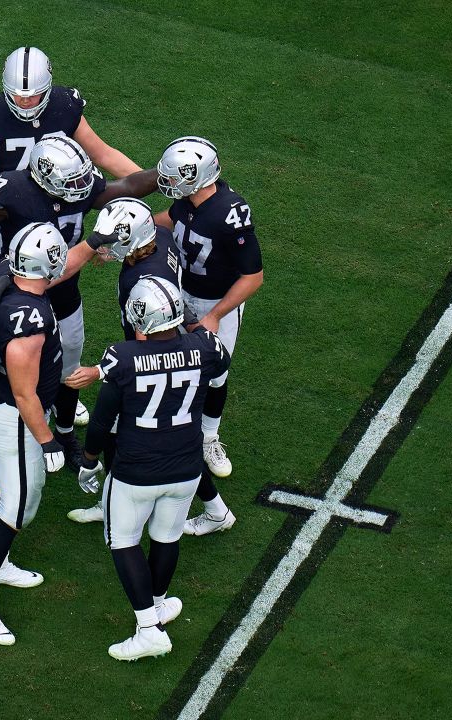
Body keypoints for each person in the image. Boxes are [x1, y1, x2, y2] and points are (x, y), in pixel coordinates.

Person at [0, 136, 159, 470]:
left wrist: (163, 173)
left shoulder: (77, 185)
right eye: (73, 181)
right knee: (0, 372)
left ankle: (63, 432)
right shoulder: (13, 191)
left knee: (68, 369)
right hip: (17, 294)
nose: (82, 187)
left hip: (63, 295)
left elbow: (125, 186)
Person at [74, 276, 230, 660]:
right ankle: (156, 605)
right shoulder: (206, 348)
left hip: (136, 470)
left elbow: (101, 421)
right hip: (186, 468)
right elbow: (212, 354)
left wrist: (90, 461)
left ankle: (148, 629)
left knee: (123, 541)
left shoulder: (122, 357)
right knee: (166, 537)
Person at [0, 223, 69, 647]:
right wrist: (48, 440)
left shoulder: (12, 279)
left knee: (5, 485)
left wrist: (94, 245)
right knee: (19, 502)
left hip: (6, 403)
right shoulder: (30, 317)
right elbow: (25, 393)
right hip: (17, 414)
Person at [154, 136, 263, 534]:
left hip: (218, 302)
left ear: (196, 178)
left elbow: (253, 277)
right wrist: (136, 227)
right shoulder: (188, 202)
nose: (167, 182)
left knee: (216, 373)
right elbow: (169, 218)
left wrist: (217, 314)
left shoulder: (229, 213)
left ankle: (208, 438)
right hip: (182, 293)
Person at [54, 198, 184, 523]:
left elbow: (144, 350)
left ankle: (112, 506)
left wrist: (100, 371)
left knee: (115, 431)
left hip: (153, 363)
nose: (104, 248)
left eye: (112, 241)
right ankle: (214, 509)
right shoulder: (160, 238)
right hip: (173, 349)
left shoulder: (141, 281)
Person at [0, 46, 140, 263]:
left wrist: (149, 177)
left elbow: (102, 154)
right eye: (17, 94)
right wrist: (19, 203)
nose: (24, 101)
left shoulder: (64, 105)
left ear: (47, 88)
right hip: (5, 210)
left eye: (32, 95)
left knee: (61, 277)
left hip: (59, 200)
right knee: (11, 278)